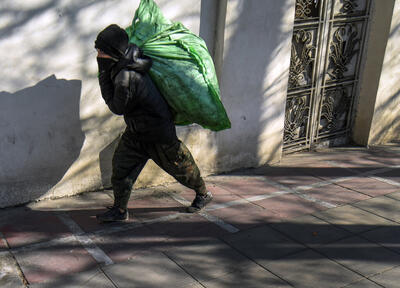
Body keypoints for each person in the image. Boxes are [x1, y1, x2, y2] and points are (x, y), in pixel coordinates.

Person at [94, 24, 213, 222]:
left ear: (114, 52)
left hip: (158, 134)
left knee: (182, 168)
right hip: (136, 132)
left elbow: (117, 107)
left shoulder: (126, 76)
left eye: (101, 51)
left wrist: (102, 76)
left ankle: (203, 193)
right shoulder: (128, 59)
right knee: (121, 169)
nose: (98, 54)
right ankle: (120, 210)